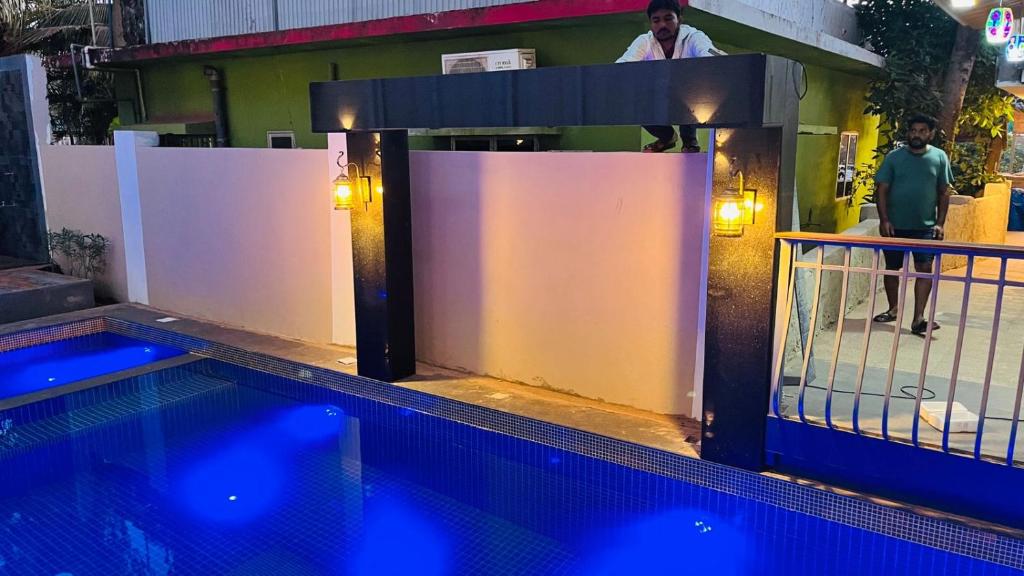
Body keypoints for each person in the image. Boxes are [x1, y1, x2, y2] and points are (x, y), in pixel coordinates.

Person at [872, 114, 953, 336]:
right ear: (908, 133)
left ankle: (918, 319)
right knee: (892, 268)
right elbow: (882, 190)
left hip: (926, 228)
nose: (917, 135)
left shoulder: (939, 157)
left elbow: (944, 192)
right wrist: (884, 219)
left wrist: (940, 223)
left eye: (922, 131)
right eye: (913, 130)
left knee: (924, 270)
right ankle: (893, 309)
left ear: (931, 134)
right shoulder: (894, 158)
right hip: (895, 226)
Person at [616, 0, 723, 153]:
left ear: (679, 19)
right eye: (656, 20)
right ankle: (667, 137)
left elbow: (710, 55)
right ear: (650, 23)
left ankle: (689, 141)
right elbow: (622, 66)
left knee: (691, 86)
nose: (662, 25)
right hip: (658, 98)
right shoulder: (644, 41)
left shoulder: (693, 37)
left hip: (691, 100)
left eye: (668, 19)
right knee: (632, 99)